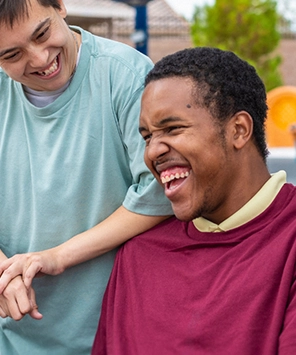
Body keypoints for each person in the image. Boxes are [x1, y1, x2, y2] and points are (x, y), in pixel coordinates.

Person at [92, 47, 296, 354]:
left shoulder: (288, 241)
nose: (152, 152)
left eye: (172, 128)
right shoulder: (138, 256)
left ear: (238, 130)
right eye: (147, 136)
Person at [0, 0, 172, 354]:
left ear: (60, 6)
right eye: (12, 54)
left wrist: (58, 256)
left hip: (111, 332)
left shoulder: (125, 75)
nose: (38, 59)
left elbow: (158, 193)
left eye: (43, 33)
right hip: (12, 337)